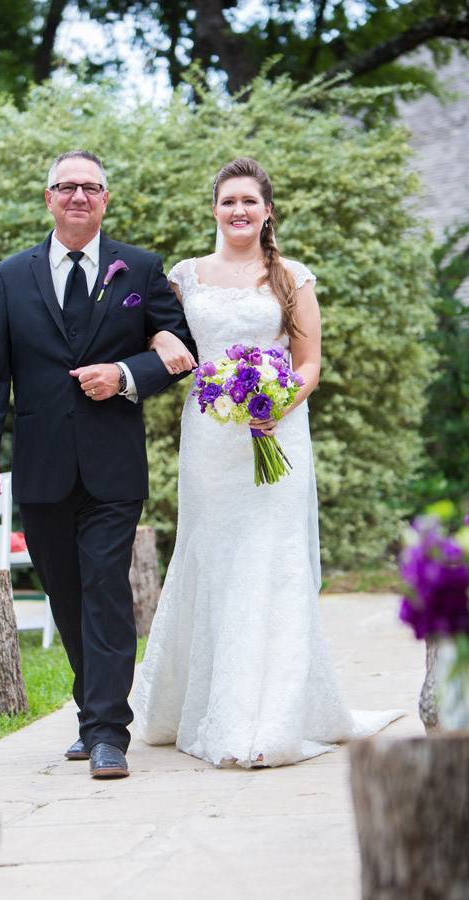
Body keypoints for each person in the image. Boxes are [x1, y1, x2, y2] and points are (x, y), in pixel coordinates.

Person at [134, 157, 405, 768]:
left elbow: (309, 363)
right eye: (228, 201)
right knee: (215, 554)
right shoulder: (185, 276)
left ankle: (273, 714)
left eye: (249, 202)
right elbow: (158, 332)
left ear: (267, 210)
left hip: (278, 433)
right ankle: (206, 704)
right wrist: (164, 341)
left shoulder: (290, 278)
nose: (238, 211)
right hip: (211, 442)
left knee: (272, 560)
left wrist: (279, 399)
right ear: (214, 208)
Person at [0, 150, 196, 779]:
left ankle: (106, 733)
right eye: (66, 188)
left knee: (104, 587)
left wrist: (124, 374)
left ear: (105, 199)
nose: (78, 197)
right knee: (65, 594)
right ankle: (91, 708)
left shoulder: (140, 269)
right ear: (48, 199)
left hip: (112, 465)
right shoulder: (11, 276)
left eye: (90, 188)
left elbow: (184, 352)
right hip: (40, 466)